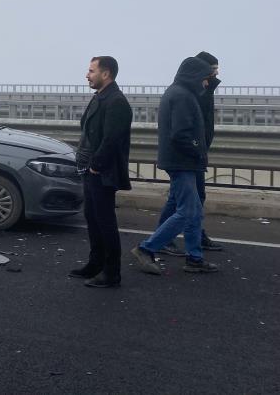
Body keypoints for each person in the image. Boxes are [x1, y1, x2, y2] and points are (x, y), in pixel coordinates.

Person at [131, 57, 219, 275]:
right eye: (206, 79)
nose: (207, 83)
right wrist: (198, 149)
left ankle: (194, 258)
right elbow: (180, 134)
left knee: (194, 210)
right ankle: (146, 248)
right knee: (188, 211)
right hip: (183, 162)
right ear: (195, 76)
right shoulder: (182, 96)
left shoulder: (182, 92)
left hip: (185, 161)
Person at [69, 56, 133, 288]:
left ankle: (111, 272)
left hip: (101, 171)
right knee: (92, 219)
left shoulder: (116, 102)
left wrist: (96, 165)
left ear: (105, 74)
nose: (87, 75)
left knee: (105, 222)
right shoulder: (101, 97)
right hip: (90, 168)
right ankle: (95, 264)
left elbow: (111, 139)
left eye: (91, 71)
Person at [159, 51, 224, 256]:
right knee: (188, 202)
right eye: (212, 70)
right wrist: (197, 149)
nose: (215, 74)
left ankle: (189, 242)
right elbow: (183, 129)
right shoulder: (191, 92)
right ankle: (161, 243)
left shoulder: (203, 89)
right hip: (188, 155)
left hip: (194, 153)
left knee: (187, 200)